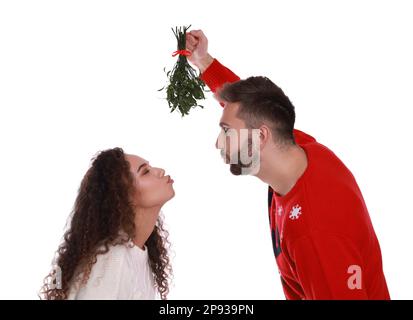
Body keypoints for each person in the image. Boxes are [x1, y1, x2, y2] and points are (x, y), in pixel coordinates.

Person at [186, 30, 390, 300]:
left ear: (260, 137)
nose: (218, 144)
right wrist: (203, 62)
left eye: (225, 132)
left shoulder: (314, 234)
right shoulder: (303, 150)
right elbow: (253, 109)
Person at [40, 147, 174, 299]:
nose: (160, 171)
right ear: (124, 196)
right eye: (145, 172)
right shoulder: (115, 259)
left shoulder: (139, 254)